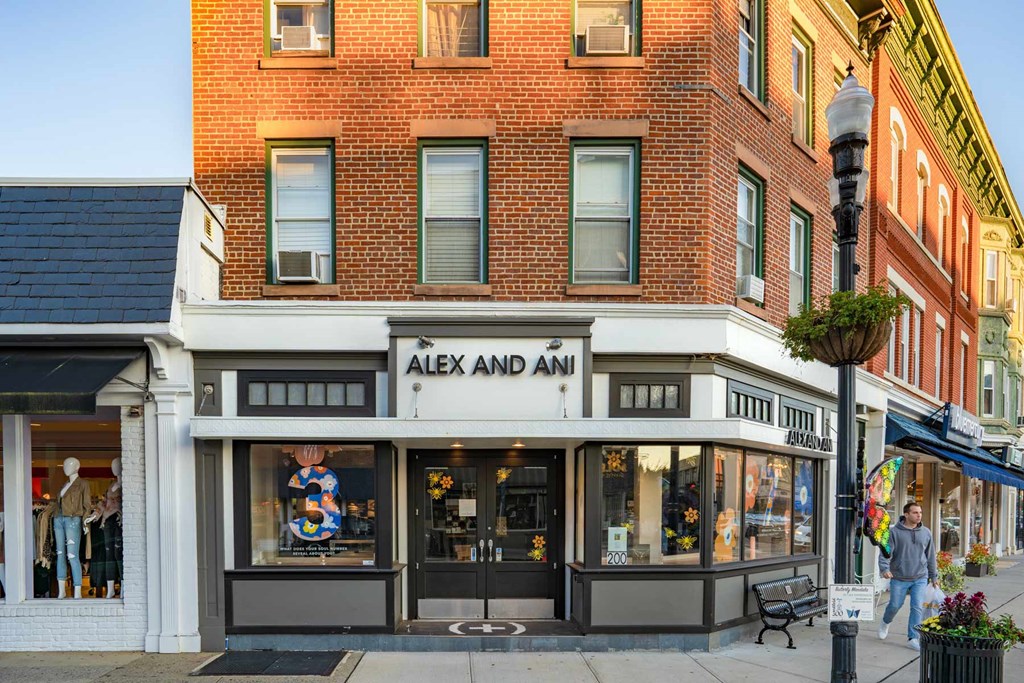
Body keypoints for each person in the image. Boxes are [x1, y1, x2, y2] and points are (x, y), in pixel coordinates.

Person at [877, 501, 939, 651]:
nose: (919, 515)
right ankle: (885, 622)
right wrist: (884, 568)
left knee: (917, 607)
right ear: (906, 514)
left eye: (920, 513)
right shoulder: (894, 532)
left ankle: (913, 638)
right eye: (915, 513)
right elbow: (885, 553)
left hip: (920, 576)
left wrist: (934, 576)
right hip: (899, 577)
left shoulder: (926, 532)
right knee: (895, 605)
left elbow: (930, 556)